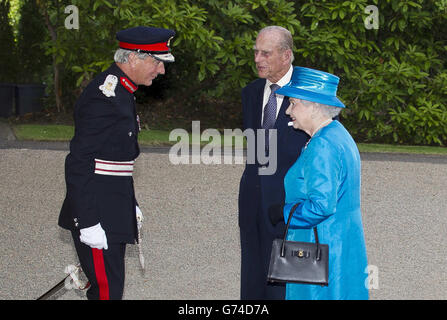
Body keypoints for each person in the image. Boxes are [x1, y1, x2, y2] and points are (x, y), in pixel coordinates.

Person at [58, 26, 175, 300]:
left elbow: (114, 159)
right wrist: (87, 222)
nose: (161, 71)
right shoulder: (104, 96)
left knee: (110, 290)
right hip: (97, 214)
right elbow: (79, 161)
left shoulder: (122, 91)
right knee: (107, 294)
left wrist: (128, 202)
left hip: (111, 206)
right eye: (157, 61)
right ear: (134, 57)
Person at [269, 66, 369, 299]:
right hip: (341, 240)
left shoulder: (322, 145)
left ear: (313, 106)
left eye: (293, 103)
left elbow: (322, 206)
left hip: (320, 244)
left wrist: (283, 214)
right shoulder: (338, 133)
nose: (288, 111)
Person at [238, 26, 310, 300]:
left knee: (286, 286)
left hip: (290, 207)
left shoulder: (310, 93)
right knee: (252, 283)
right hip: (252, 204)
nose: (258, 59)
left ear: (286, 55)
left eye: (265, 53)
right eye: (256, 52)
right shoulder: (251, 93)